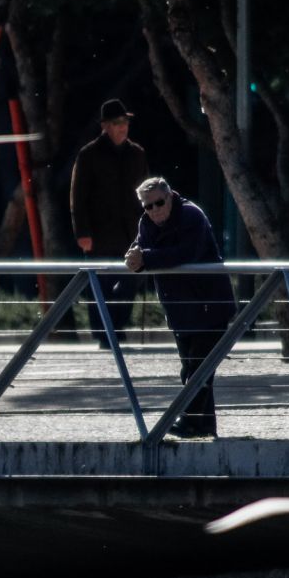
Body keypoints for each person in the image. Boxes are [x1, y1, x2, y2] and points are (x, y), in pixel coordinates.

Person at [124, 177, 236, 438]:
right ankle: (203, 426)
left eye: (158, 203)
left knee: (198, 369)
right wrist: (133, 258)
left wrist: (146, 258)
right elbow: (140, 249)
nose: (153, 210)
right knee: (191, 369)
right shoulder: (146, 222)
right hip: (180, 312)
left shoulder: (191, 215)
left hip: (210, 308)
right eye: (147, 206)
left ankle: (188, 422)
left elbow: (187, 253)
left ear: (170, 197)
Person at [69, 99, 149, 346]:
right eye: (117, 122)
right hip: (99, 232)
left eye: (125, 121)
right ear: (105, 126)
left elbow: (147, 193)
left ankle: (117, 325)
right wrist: (82, 232)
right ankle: (103, 332)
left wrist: (148, 229)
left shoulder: (137, 153)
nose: (123, 127)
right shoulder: (89, 154)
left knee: (131, 279)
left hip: (130, 232)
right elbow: (78, 197)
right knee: (99, 284)